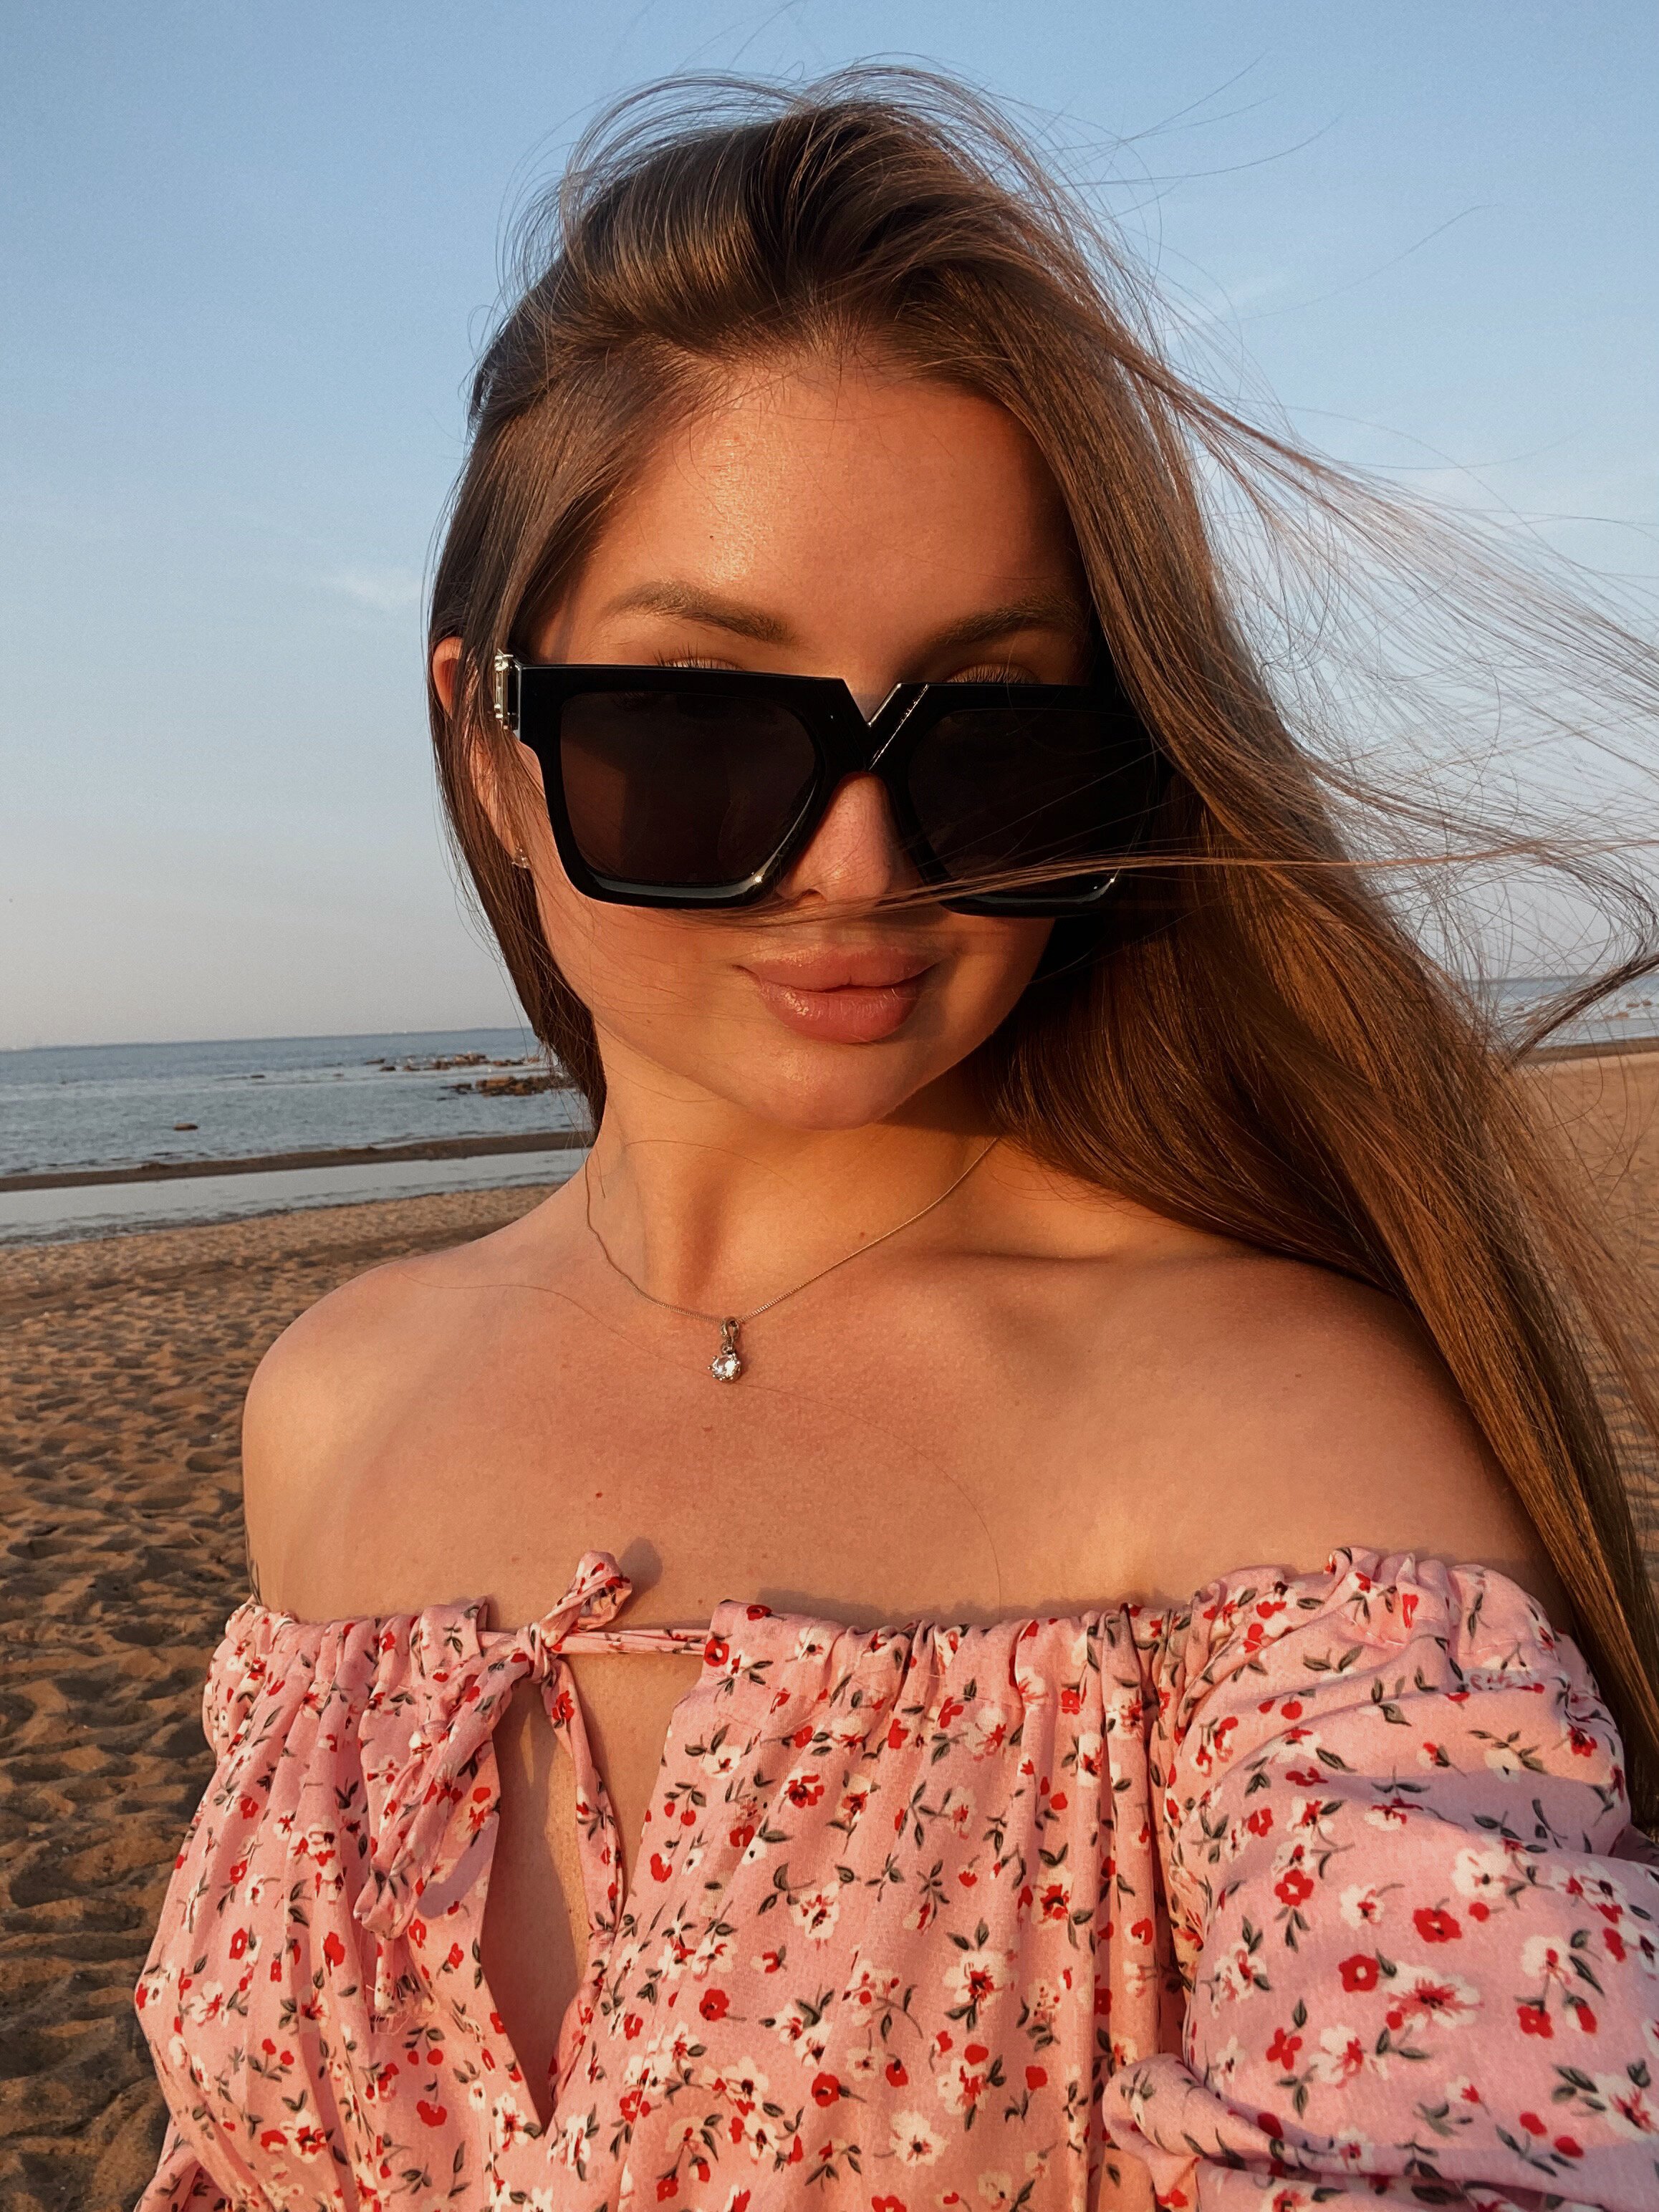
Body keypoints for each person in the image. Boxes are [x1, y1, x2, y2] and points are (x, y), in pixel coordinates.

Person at [135, 73, 1659, 2212]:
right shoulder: (329, 1403)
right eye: (699, 726)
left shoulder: (1269, 1433)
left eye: (994, 738)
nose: (860, 865)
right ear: (489, 747)